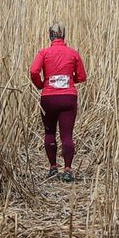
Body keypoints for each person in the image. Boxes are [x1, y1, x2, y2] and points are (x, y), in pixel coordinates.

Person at [29, 22, 86, 181]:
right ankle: (67, 169)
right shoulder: (73, 53)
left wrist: (41, 84)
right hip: (68, 98)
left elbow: (34, 71)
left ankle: (53, 167)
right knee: (67, 135)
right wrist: (69, 80)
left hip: (48, 98)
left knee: (49, 133)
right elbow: (82, 76)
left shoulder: (43, 53)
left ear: (50, 36)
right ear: (64, 36)